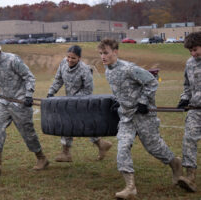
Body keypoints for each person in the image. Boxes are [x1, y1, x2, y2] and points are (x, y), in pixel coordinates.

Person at [98, 39, 182, 199]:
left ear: (115, 52)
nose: (103, 56)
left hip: (143, 115)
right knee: (122, 148)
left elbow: (151, 82)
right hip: (126, 118)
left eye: (106, 53)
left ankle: (175, 163)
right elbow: (119, 90)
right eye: (101, 53)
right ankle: (130, 187)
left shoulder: (129, 68)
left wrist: (144, 101)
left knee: (154, 147)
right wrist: (117, 102)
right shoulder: (108, 71)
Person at [0, 41, 49, 175]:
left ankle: (41, 158)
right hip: (4, 101)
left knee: (27, 133)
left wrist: (29, 95)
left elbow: (29, 77)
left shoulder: (13, 60)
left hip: (20, 102)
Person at [47, 45, 112, 162]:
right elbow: (58, 79)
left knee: (77, 124)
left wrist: (74, 99)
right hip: (69, 102)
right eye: (68, 57)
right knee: (71, 124)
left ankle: (68, 152)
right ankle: (100, 144)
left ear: (79, 58)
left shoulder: (84, 69)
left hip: (83, 102)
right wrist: (51, 92)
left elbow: (88, 90)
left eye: (73, 58)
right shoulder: (63, 63)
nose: (70, 60)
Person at [176, 31, 201, 192]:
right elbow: (187, 86)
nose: (193, 53)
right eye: (190, 50)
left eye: (196, 49)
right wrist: (184, 98)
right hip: (195, 109)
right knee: (189, 139)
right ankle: (190, 177)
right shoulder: (190, 63)